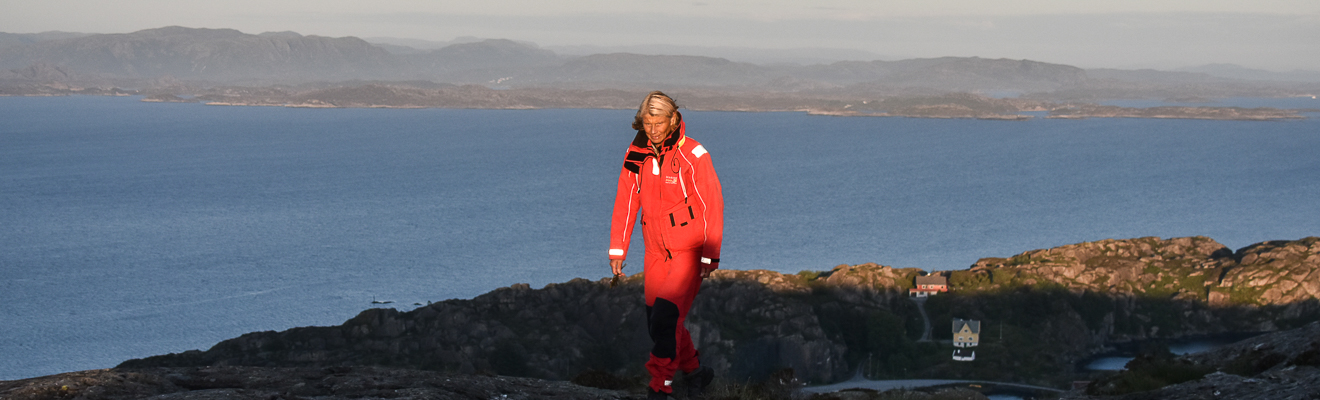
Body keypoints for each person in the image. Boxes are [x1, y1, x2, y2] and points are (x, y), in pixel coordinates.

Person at [608, 91, 724, 399]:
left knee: (666, 318)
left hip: (689, 251)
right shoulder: (636, 154)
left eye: (658, 121)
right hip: (655, 252)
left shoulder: (694, 154)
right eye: (647, 122)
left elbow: (712, 203)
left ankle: (659, 387)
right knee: (657, 322)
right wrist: (618, 249)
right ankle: (697, 373)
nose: (653, 129)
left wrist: (710, 255)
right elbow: (626, 200)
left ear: (673, 119)